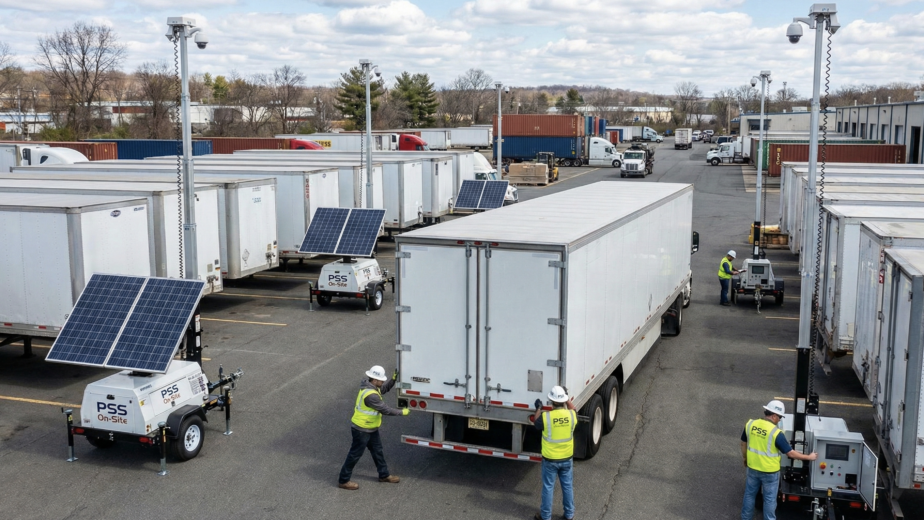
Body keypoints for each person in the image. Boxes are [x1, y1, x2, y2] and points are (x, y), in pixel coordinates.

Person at [740, 400, 818, 520]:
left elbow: (743, 443)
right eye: (780, 417)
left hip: (752, 468)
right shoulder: (776, 433)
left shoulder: (750, 424)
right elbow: (790, 453)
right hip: (770, 472)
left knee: (749, 495)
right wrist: (809, 457)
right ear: (774, 416)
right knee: (770, 499)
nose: (780, 420)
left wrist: (745, 458)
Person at [338, 365, 409, 490]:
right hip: (362, 429)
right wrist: (401, 412)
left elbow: (384, 389)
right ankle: (344, 480)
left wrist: (393, 380)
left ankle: (384, 475)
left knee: (377, 452)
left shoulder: (370, 387)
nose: (382, 382)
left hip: (370, 428)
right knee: (354, 455)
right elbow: (385, 410)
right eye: (381, 380)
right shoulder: (371, 395)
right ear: (375, 380)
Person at [532, 386, 577, 520]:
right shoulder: (571, 415)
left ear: (551, 401)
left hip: (550, 459)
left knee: (548, 488)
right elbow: (574, 409)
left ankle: (545, 516)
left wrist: (538, 408)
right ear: (564, 401)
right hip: (567, 458)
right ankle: (569, 515)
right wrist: (567, 398)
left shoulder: (546, 417)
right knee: (567, 486)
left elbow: (536, 422)